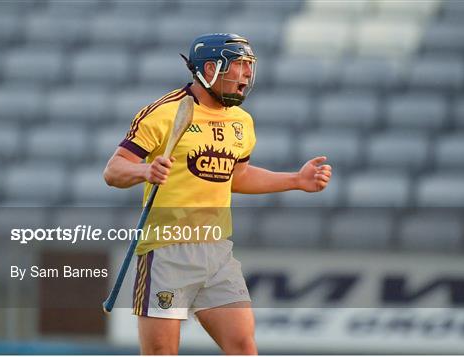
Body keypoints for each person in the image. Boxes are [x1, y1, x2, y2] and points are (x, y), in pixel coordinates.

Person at [103, 33, 332, 355]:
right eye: (239, 65)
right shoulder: (163, 113)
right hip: (167, 252)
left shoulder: (241, 121)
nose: (248, 74)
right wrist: (144, 170)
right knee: (161, 353)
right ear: (210, 68)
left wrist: (295, 180)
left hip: (217, 251)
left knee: (242, 346)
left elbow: (237, 176)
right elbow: (114, 171)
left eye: (249, 65)